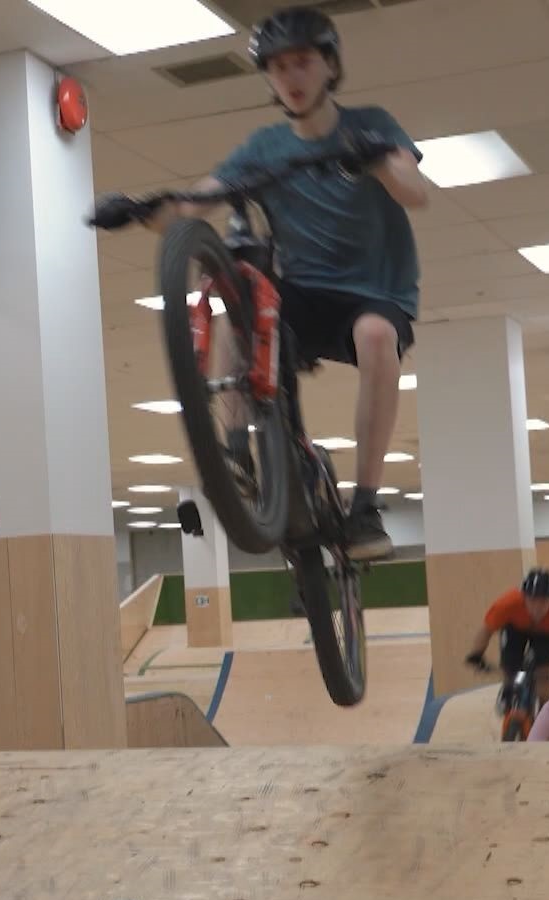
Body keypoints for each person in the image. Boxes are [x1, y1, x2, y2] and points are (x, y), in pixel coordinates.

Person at [108, 6, 429, 561]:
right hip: (303, 293)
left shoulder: (372, 124)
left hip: (374, 293)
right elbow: (194, 203)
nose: (291, 78)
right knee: (241, 302)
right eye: (278, 69)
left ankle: (366, 507)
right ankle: (235, 451)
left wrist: (377, 160)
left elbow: (415, 190)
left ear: (328, 66)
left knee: (377, 337)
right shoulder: (263, 148)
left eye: (302, 63)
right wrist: (140, 210)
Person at [465, 568, 549, 707]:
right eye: (532, 600)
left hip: (546, 634)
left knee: (544, 671)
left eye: (543, 602)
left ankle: (544, 710)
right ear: (523, 597)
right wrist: (476, 654)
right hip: (515, 630)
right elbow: (486, 630)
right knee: (510, 664)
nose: (537, 607)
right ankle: (509, 687)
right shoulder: (507, 603)